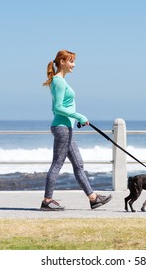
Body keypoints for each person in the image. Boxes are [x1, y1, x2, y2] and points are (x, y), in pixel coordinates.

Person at [41, 50, 112, 211]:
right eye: (71, 61)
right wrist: (79, 116)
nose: (74, 64)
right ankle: (47, 201)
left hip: (66, 127)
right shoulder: (59, 82)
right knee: (57, 164)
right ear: (62, 62)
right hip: (62, 128)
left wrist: (75, 119)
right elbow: (58, 108)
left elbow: (57, 107)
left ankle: (93, 198)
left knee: (78, 164)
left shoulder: (60, 81)